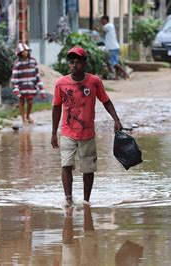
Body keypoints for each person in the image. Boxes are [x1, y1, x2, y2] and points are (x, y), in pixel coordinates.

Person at [51, 46, 122, 207]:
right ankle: (68, 199)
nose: (74, 65)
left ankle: (86, 201)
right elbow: (56, 108)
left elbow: (106, 101)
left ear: (84, 64)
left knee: (88, 169)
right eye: (71, 62)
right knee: (66, 165)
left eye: (78, 62)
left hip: (87, 133)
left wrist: (116, 120)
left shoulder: (94, 82)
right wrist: (54, 133)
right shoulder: (60, 84)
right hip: (67, 132)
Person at [11, 43, 46, 124]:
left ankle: (28, 116)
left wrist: (42, 90)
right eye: (23, 51)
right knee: (21, 101)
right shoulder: (17, 63)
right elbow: (14, 77)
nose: (25, 52)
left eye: (26, 51)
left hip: (31, 86)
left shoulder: (33, 61)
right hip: (21, 87)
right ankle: (23, 119)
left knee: (30, 102)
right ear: (20, 53)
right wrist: (15, 88)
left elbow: (37, 75)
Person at [99, 15, 129, 80]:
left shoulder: (108, 26)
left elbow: (101, 31)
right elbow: (103, 34)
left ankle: (125, 73)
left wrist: (97, 29)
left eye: (102, 20)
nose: (101, 22)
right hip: (113, 47)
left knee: (114, 63)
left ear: (106, 20)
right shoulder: (110, 26)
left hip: (112, 47)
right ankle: (117, 77)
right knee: (115, 63)